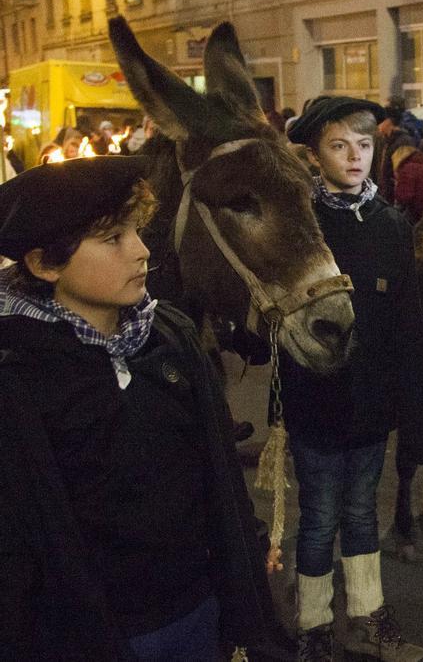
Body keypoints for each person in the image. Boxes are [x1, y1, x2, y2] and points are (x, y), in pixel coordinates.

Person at [0, 157, 287, 658]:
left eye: (136, 230)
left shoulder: (168, 336)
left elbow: (215, 467)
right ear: (44, 263)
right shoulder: (19, 374)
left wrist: (248, 543)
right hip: (90, 634)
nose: (141, 250)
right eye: (113, 238)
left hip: (196, 609)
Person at [285, 96, 423, 661]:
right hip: (315, 401)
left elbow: (408, 325)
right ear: (315, 154)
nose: (354, 157)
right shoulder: (303, 224)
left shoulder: (391, 224)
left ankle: (367, 618)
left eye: (364, 145)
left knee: (362, 512)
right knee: (320, 517)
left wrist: (415, 423)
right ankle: (314, 625)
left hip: (370, 406)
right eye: (339, 145)